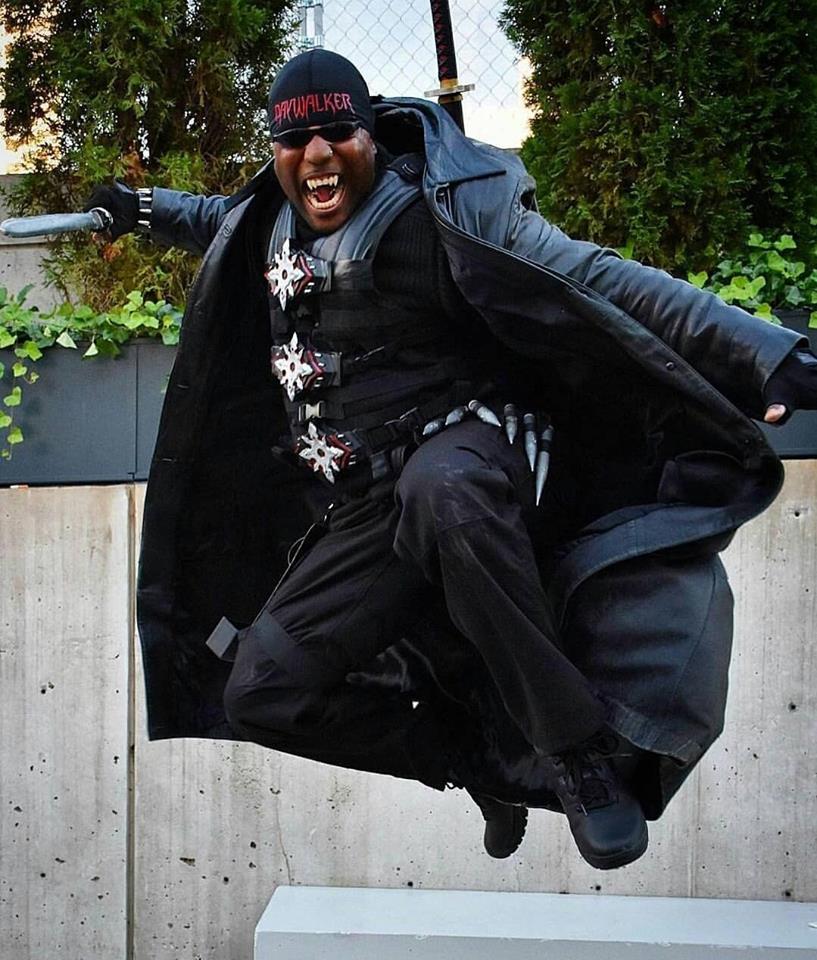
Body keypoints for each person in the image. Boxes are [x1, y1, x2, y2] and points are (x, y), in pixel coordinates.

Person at [87, 49, 817, 869]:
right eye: (295, 141)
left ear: (368, 134)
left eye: (337, 133)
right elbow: (215, 218)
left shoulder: (447, 217)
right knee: (260, 692)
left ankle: (575, 754)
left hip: (480, 452)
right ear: (276, 151)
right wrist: (140, 208)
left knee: (444, 491)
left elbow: (599, 279)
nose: (318, 155)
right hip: (368, 504)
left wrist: (762, 353)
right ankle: (481, 760)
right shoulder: (270, 219)